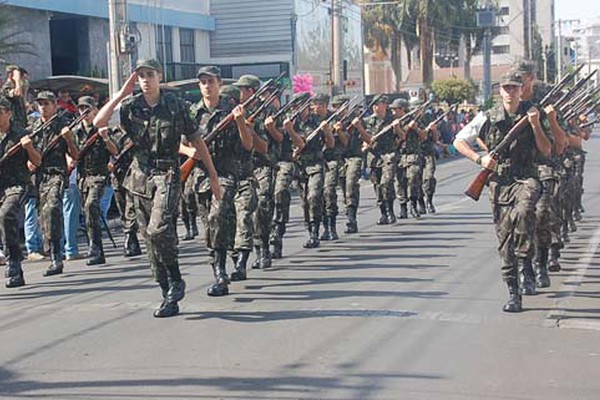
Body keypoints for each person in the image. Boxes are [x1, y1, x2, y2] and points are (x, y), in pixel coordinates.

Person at [94, 59, 221, 317]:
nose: (145, 80)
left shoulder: (175, 106)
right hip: (139, 178)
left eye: (150, 74)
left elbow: (197, 141)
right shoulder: (131, 107)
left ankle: (175, 278)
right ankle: (168, 294)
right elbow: (99, 122)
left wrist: (214, 176)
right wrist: (120, 93)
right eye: (140, 75)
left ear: (159, 77)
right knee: (151, 241)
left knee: (158, 228)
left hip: (168, 173)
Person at [454, 71, 551, 312]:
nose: (510, 92)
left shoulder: (533, 112)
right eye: (506, 88)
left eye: (514, 88)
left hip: (526, 177)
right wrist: (480, 159)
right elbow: (458, 141)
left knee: (526, 210)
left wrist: (536, 124)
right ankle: (514, 292)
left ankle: (526, 263)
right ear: (500, 91)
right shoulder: (488, 116)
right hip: (500, 182)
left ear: (521, 90)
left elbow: (547, 150)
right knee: (505, 240)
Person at [187, 65, 252, 296]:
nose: (207, 86)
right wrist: (189, 153)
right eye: (203, 82)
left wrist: (241, 122)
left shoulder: (232, 110)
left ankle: (221, 272)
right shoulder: (192, 112)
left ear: (220, 83)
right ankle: (219, 264)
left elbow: (247, 145)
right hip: (201, 175)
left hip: (225, 173)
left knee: (217, 214)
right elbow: (178, 140)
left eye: (211, 81)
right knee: (211, 224)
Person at [32, 91, 79, 277]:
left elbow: (75, 155)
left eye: (46, 103)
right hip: (39, 176)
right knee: (43, 216)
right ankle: (51, 251)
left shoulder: (62, 125)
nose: (43, 107)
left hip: (56, 174)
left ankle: (56, 258)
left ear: (54, 105)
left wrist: (68, 138)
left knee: (52, 209)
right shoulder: (33, 127)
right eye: (40, 104)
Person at [1, 96, 42, 287]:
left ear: (8, 113)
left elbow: (37, 161)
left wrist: (29, 147)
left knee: (6, 214)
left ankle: (14, 262)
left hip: (17, 185)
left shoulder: (21, 133)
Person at [73, 96, 118, 266]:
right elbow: (73, 154)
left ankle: (95, 247)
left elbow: (115, 151)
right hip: (83, 177)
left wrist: (105, 137)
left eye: (87, 109)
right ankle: (96, 246)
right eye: (81, 109)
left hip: (99, 176)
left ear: (95, 110)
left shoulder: (102, 128)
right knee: (88, 212)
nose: (84, 113)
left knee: (91, 205)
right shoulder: (76, 132)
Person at [285, 93, 333, 248]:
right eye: (296, 107)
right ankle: (310, 229)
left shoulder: (317, 121)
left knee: (314, 196)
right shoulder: (290, 123)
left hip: (315, 165)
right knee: (305, 202)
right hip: (299, 167)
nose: (299, 110)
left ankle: (315, 232)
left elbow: (330, 144)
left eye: (302, 106)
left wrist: (327, 131)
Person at [269, 92, 308, 257]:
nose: (268, 101)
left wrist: (288, 129)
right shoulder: (252, 115)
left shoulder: (289, 119)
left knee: (279, 194)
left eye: (270, 97)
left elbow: (299, 143)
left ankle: (276, 237)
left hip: (284, 162)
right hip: (261, 164)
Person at [352, 95, 396, 224]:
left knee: (386, 182)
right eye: (375, 104)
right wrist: (360, 128)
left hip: (388, 155)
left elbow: (402, 136)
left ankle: (390, 211)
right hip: (374, 157)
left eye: (380, 104)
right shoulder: (366, 121)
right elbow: (366, 139)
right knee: (377, 185)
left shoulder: (392, 120)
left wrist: (397, 127)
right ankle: (383, 212)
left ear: (385, 106)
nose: (377, 106)